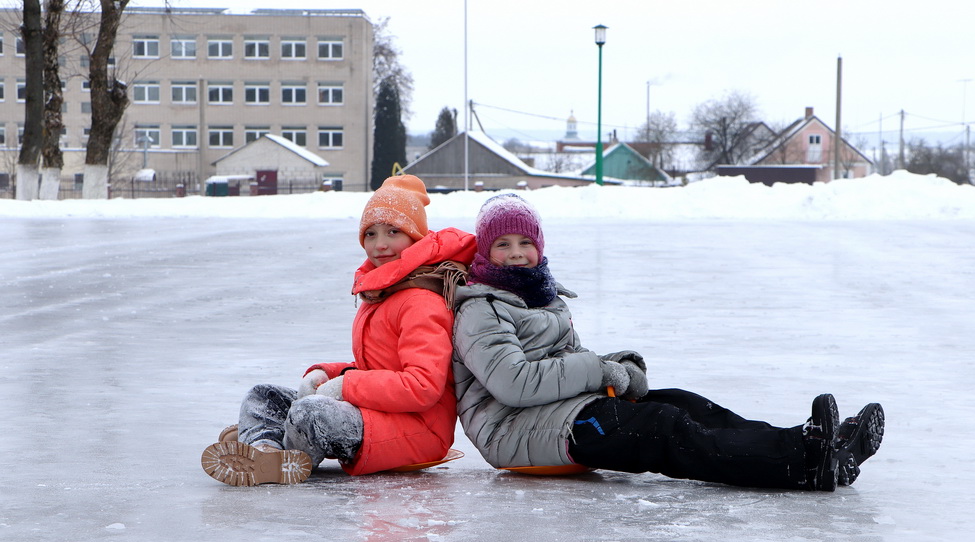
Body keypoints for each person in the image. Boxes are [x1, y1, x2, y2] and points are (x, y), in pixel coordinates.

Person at [452, 193, 884, 491]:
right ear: (485, 254)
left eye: (525, 242)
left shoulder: (542, 297)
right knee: (661, 427)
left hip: (557, 412)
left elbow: (563, 361)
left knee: (683, 402)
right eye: (502, 244)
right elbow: (513, 382)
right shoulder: (481, 309)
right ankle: (802, 466)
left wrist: (617, 366)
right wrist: (601, 371)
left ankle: (809, 443)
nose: (515, 253)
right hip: (514, 430)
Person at [202, 174, 477, 485]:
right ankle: (265, 448)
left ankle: (270, 448)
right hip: (378, 413)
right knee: (263, 396)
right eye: (370, 234)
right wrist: (327, 375)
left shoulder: (421, 301)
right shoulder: (384, 291)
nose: (380, 244)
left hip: (417, 429)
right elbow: (377, 368)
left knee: (311, 413)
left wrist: (345, 386)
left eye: (393, 232)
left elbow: (421, 386)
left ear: (416, 239)